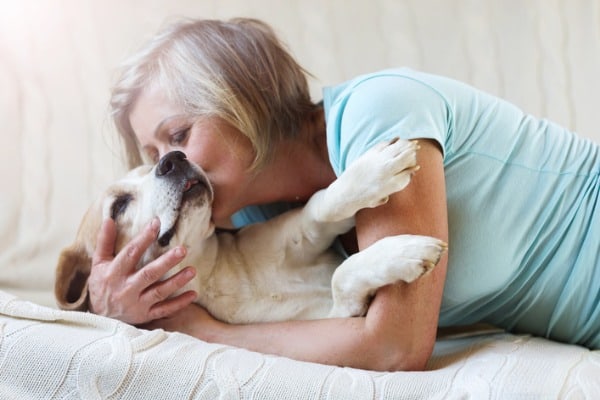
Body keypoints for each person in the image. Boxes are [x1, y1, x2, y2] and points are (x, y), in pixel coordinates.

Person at [87, 17, 600, 372]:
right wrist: (113, 310)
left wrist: (203, 333)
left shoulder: (378, 113)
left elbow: (395, 346)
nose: (168, 169)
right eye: (154, 156)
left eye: (178, 137)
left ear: (244, 101)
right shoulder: (244, 223)